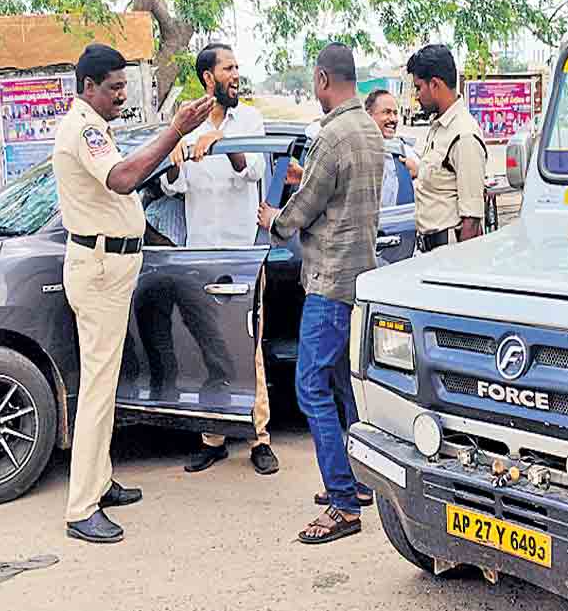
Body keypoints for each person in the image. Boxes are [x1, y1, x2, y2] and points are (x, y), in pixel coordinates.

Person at [54, 44, 214, 544]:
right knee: (99, 388)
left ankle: (98, 483)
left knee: (106, 381)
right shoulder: (83, 128)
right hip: (100, 266)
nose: (123, 95)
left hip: (111, 265)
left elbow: (129, 175)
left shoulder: (96, 128)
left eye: (125, 86)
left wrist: (169, 151)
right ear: (88, 88)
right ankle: (81, 507)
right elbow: (122, 179)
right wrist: (175, 132)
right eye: (115, 88)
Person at [257, 43, 383, 544]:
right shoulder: (370, 131)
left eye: (314, 82)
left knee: (311, 387)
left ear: (325, 79)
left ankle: (343, 504)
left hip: (328, 283)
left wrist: (275, 218)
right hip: (358, 278)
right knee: (339, 384)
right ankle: (360, 480)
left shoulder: (330, 137)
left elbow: (299, 214)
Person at [153, 43, 280, 477]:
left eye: (237, 67)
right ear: (208, 77)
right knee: (206, 347)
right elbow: (174, 186)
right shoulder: (187, 126)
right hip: (200, 256)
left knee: (250, 348)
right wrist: (172, 159)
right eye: (228, 68)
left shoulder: (249, 120)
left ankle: (260, 438)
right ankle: (213, 437)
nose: (236, 74)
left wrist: (225, 143)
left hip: (242, 255)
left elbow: (256, 171)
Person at [408, 44, 486, 251]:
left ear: (434, 84)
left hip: (449, 253)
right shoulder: (440, 127)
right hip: (430, 250)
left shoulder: (464, 134)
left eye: (418, 87)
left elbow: (472, 220)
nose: (417, 96)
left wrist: (459, 273)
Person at [364, 88, 419, 207]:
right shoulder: (357, 152)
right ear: (368, 116)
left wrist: (418, 173)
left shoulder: (406, 152)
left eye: (395, 113)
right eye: (387, 112)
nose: (393, 119)